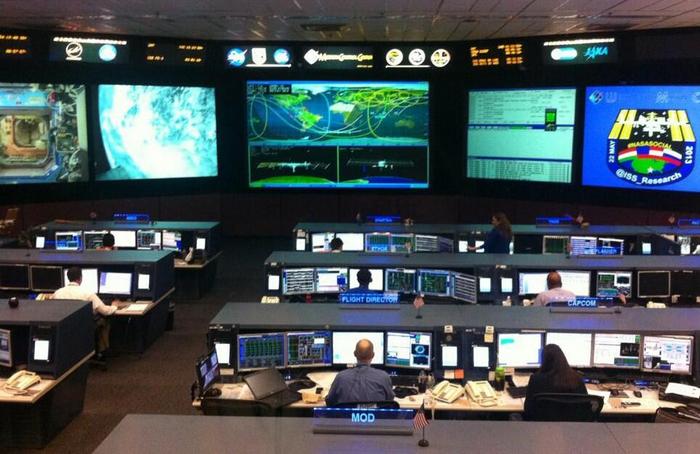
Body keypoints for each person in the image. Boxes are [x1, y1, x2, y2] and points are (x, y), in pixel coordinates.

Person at [53, 266, 119, 362]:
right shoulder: (87, 293)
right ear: (80, 278)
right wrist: (114, 306)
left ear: (68, 278)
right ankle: (101, 352)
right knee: (105, 321)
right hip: (83, 327)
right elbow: (105, 311)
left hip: (65, 328)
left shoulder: (57, 293)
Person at [523, 344, 587, 420]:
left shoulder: (536, 379)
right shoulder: (577, 378)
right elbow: (586, 408)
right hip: (572, 426)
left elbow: (528, 410)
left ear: (544, 360)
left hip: (542, 425)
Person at [325, 339, 394, 406]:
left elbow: (330, 401)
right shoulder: (384, 377)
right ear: (373, 355)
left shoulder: (341, 377)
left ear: (354, 354)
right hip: (374, 414)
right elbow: (390, 401)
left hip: (348, 414)